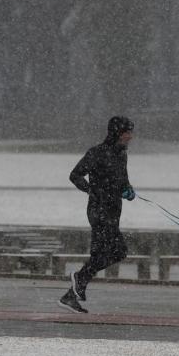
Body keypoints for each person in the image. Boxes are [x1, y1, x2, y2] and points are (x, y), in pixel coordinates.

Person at [58, 116, 136, 313]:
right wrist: (92, 190)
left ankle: (71, 295)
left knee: (101, 254)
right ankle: (79, 279)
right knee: (118, 251)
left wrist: (128, 190)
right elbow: (75, 175)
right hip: (98, 210)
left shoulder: (121, 154)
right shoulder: (97, 153)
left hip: (113, 210)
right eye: (127, 132)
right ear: (117, 132)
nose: (130, 136)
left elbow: (122, 180)